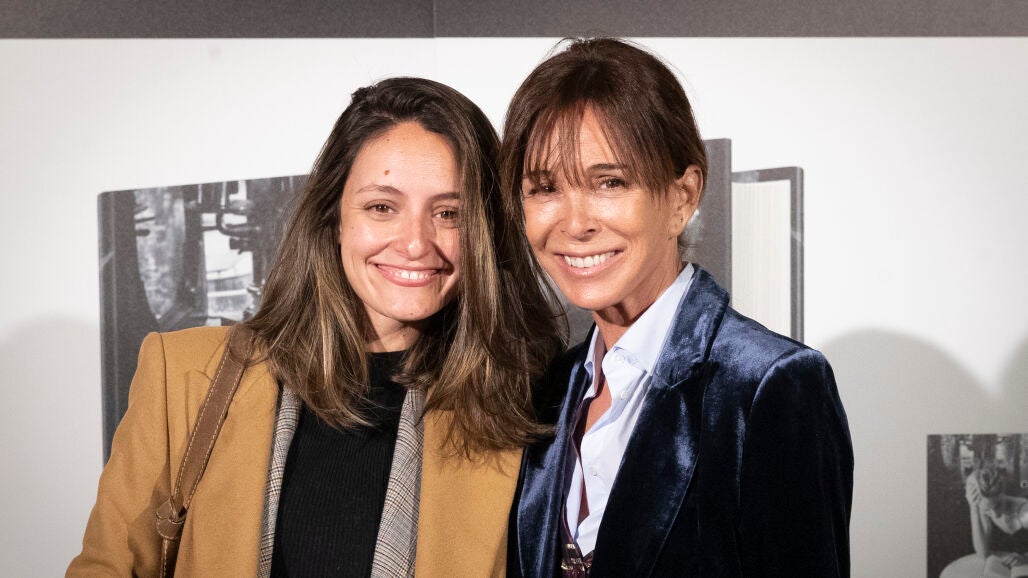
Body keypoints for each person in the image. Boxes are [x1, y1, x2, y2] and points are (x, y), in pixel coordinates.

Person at [68, 77, 562, 577]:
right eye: (382, 207)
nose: (416, 243)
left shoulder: (528, 402)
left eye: (449, 213)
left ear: (485, 230)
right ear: (334, 217)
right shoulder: (184, 376)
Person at [500, 38, 854, 577]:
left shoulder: (768, 387)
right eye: (545, 188)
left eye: (609, 182)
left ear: (682, 197)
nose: (574, 223)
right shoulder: (547, 389)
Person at [966, 462, 1028, 562]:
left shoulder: (1024, 511)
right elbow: (982, 553)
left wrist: (1025, 558)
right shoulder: (985, 510)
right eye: (987, 509)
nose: (994, 514)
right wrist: (973, 509)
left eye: (997, 505)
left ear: (1003, 493)